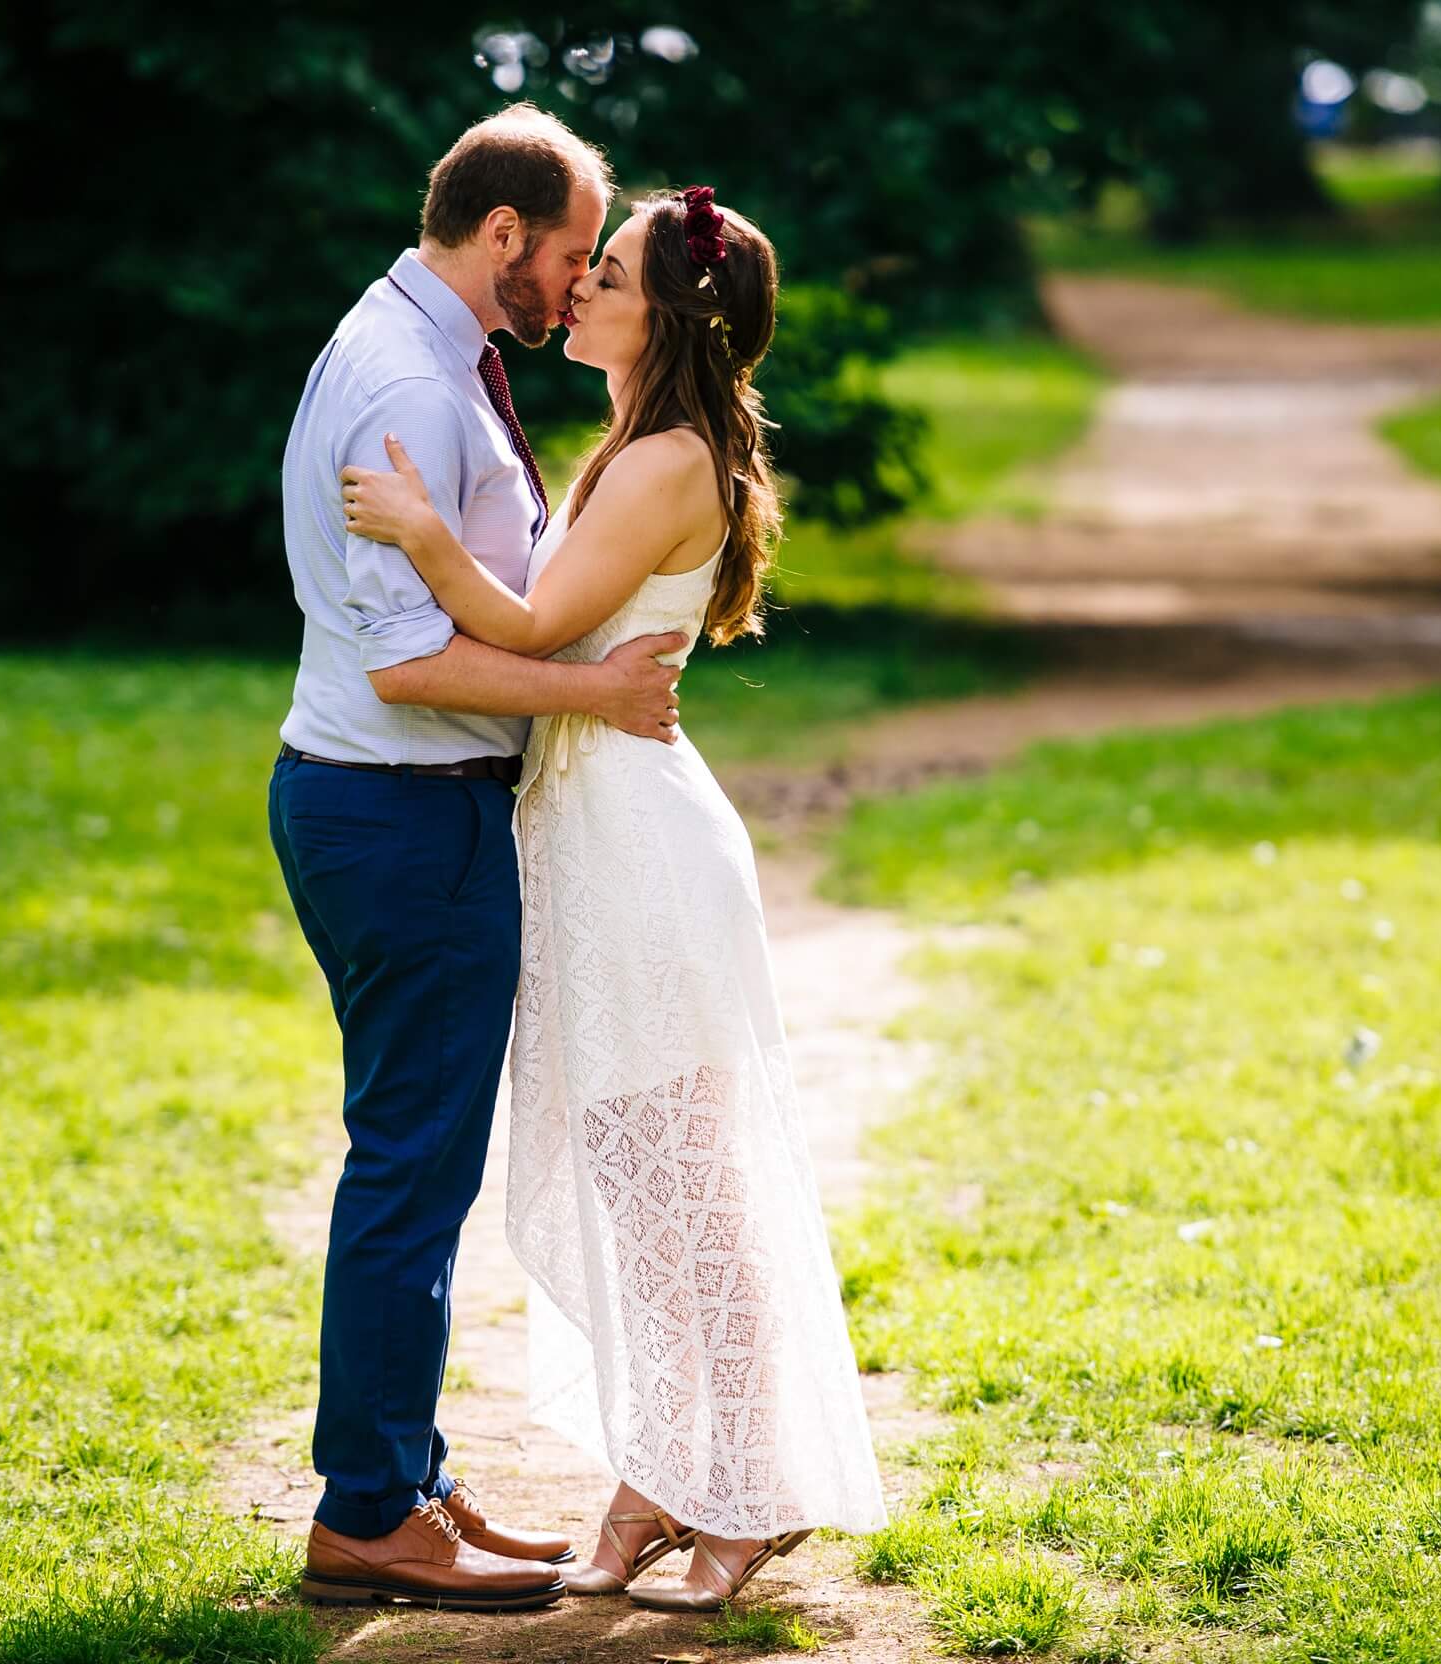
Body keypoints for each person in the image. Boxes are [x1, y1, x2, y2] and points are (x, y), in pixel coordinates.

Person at [339, 183, 887, 1611]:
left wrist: (416, 527)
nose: (579, 286)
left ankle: (750, 1494)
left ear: (672, 313)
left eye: (614, 273)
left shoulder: (664, 462)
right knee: (638, 1180)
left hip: (637, 842)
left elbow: (526, 625)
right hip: (588, 827)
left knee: (685, 1181)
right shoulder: (637, 446)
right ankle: (659, 1474)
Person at [269, 104, 689, 1612]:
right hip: (399, 811)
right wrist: (600, 695)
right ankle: (370, 1511)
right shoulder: (405, 382)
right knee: (411, 1166)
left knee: (425, 1161)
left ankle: (407, 1473)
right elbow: (405, 666)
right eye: (575, 253)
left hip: (412, 812)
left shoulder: (439, 355)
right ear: (504, 234)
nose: (578, 285)